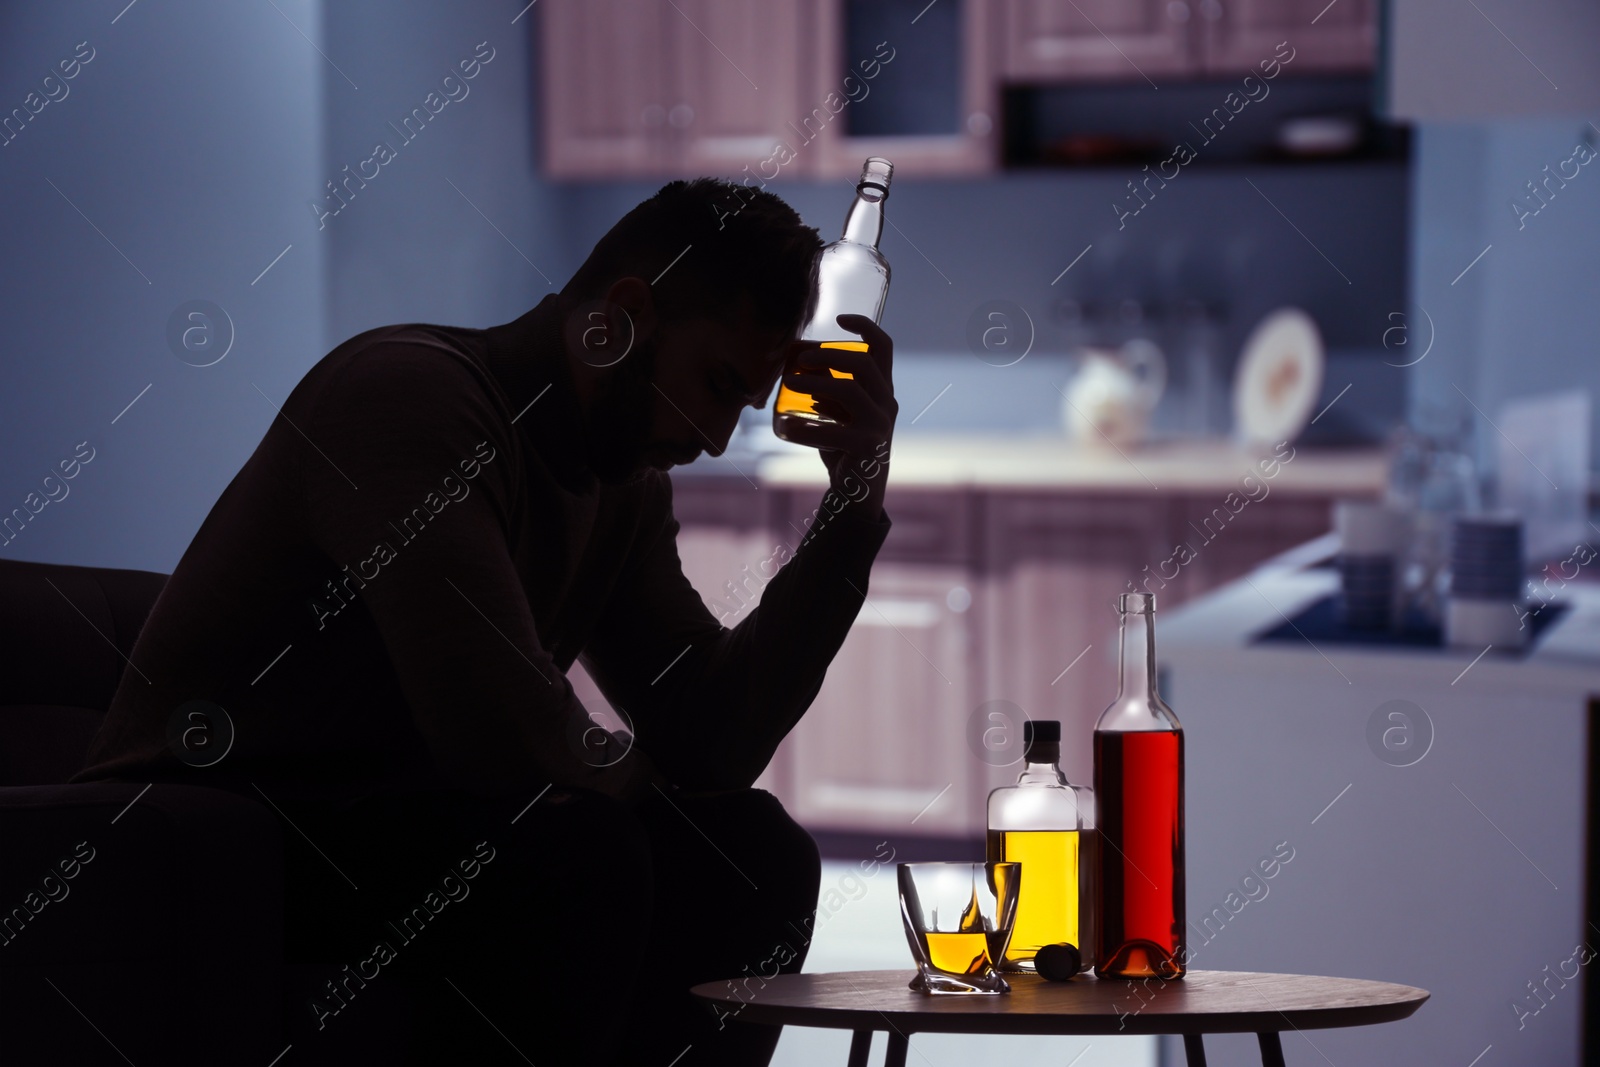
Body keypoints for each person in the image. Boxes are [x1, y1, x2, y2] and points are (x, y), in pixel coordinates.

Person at [70, 178, 898, 1066]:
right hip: (200, 837)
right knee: (580, 853)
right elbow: (501, 732)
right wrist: (636, 785)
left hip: (384, 823)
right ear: (621, 317)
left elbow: (709, 739)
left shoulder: (619, 482)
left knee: (753, 854)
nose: (714, 437)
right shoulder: (405, 396)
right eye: (718, 384)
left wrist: (853, 503)